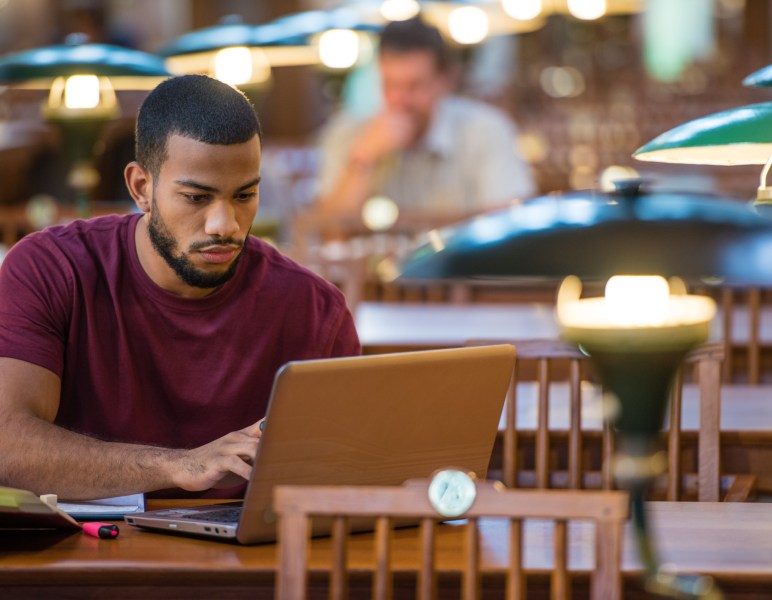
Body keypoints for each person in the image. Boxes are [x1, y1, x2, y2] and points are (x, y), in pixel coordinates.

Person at [0, 75, 360, 500]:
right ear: (141, 188)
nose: (224, 225)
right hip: (80, 556)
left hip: (248, 562)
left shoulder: (315, 309)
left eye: (244, 196)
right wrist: (180, 465)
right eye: (196, 197)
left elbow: (349, 471)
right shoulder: (50, 270)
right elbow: (8, 447)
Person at [317, 16, 536, 219]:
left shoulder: (486, 130)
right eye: (390, 84)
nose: (399, 99)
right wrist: (364, 160)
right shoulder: (347, 134)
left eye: (414, 86)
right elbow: (328, 231)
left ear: (446, 80)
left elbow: (507, 227)